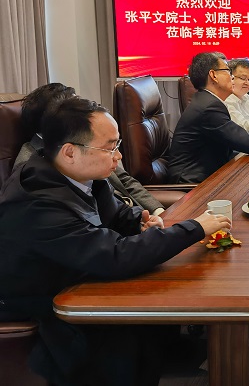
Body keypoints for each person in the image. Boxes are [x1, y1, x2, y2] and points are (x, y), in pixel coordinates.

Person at [0, 97, 231, 385]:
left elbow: (114, 212)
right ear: (70, 152)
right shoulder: (37, 203)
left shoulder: (78, 173)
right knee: (137, 323)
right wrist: (195, 228)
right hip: (47, 308)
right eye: (110, 147)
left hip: (80, 280)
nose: (118, 156)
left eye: (117, 144)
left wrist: (138, 221)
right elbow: (115, 255)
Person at [13, 83, 166, 215]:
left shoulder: (90, 142)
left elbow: (124, 180)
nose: (87, 113)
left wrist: (158, 212)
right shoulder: (30, 169)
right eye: (76, 109)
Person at [168, 52, 249, 183]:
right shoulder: (209, 107)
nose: (231, 77)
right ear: (213, 75)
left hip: (212, 172)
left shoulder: (208, 100)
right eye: (227, 71)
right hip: (193, 182)